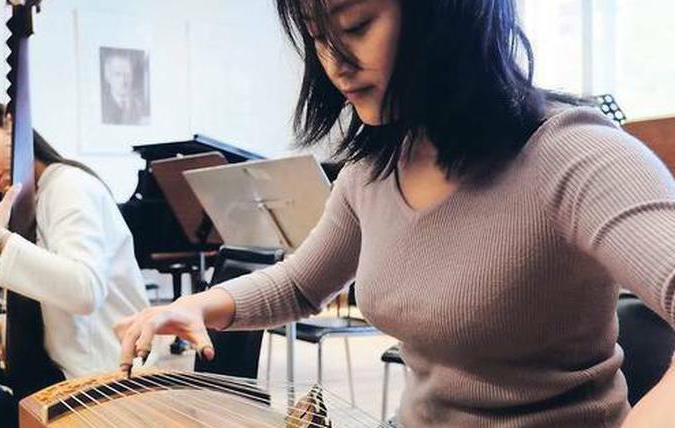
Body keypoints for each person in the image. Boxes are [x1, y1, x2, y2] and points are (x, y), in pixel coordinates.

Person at [116, 1, 675, 427]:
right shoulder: (373, 170)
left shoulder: (576, 157)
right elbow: (301, 284)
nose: (334, 64)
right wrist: (196, 306)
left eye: (356, 26)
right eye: (318, 37)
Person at [0, 100, 150, 428]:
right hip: (65, 377)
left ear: (11, 125)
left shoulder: (69, 186)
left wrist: (1, 239)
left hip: (106, 381)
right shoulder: (35, 198)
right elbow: (57, 316)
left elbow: (85, 291)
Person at [100, 48, 149, 125]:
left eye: (127, 74)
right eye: (118, 74)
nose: (124, 80)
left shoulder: (142, 104)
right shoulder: (101, 106)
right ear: (107, 76)